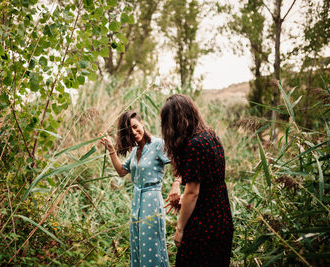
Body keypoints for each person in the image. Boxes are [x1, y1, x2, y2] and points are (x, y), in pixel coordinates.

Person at [160, 94, 234, 267]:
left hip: (204, 225)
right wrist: (184, 200)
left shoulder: (194, 145)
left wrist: (179, 229)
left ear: (174, 122)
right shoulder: (211, 135)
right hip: (222, 218)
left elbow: (192, 193)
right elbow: (207, 184)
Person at [100, 111, 176, 267]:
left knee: (152, 245)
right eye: (130, 131)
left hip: (152, 201)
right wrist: (111, 150)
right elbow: (122, 171)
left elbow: (179, 163)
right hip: (137, 201)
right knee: (138, 243)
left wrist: (177, 184)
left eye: (135, 127)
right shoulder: (135, 151)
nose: (134, 132)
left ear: (142, 124)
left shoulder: (157, 145)